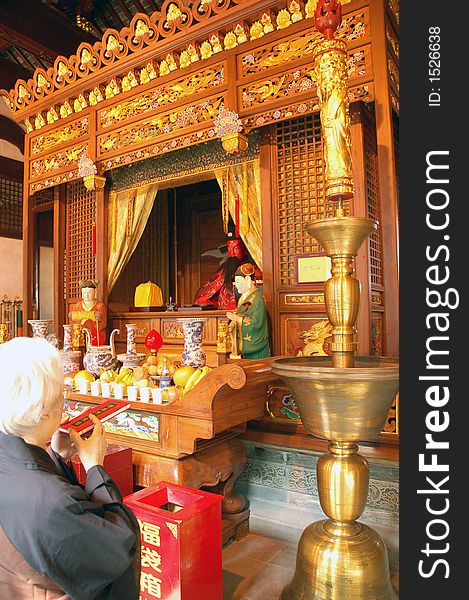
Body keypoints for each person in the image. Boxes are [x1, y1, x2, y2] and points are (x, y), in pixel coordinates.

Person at [0, 337, 140, 600]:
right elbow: (118, 546)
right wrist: (94, 466)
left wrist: (56, 455)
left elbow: (33, 476)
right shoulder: (50, 502)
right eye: (62, 394)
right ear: (43, 412)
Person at [226, 263, 270, 359]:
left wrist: (237, 318)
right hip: (245, 348)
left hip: (256, 349)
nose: (236, 286)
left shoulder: (257, 298)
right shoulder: (244, 297)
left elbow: (256, 323)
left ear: (248, 279)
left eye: (238, 282)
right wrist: (233, 323)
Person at [69, 279, 107, 346]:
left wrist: (88, 323)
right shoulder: (76, 306)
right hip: (79, 335)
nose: (86, 295)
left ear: (95, 292)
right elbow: (73, 321)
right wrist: (88, 318)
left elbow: (102, 324)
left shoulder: (99, 306)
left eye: (89, 292)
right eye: (84, 292)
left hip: (94, 335)